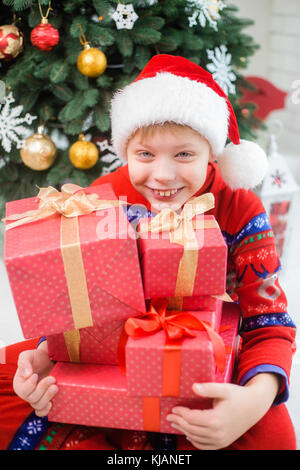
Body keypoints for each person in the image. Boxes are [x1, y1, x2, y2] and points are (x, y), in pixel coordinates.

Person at [1, 54, 297, 450]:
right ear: (126, 150)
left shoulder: (239, 208)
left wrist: (253, 400)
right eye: (145, 154)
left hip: (208, 352)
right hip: (110, 352)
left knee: (272, 436)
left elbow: (270, 320)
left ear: (212, 152)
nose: (162, 175)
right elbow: (72, 306)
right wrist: (45, 353)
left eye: (184, 154)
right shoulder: (101, 200)